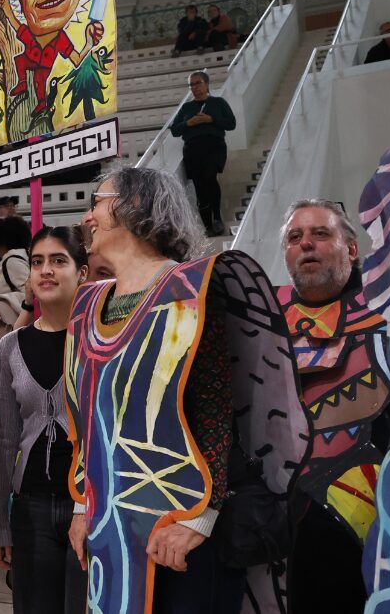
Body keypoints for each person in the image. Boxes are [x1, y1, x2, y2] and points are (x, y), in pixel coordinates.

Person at [67, 167, 309, 614]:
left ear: (134, 207)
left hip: (177, 529)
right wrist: (83, 506)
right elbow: (89, 421)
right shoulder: (87, 304)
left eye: (97, 202)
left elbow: (216, 409)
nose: (87, 216)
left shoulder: (189, 290)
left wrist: (202, 517)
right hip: (108, 529)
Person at [276, 200, 390, 614]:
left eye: (320, 234)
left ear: (351, 248)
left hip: (386, 512)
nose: (306, 244)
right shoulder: (266, 321)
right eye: (296, 238)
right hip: (291, 515)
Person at [0, 226, 89, 614]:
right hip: (32, 513)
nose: (46, 270)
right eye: (37, 262)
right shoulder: (10, 348)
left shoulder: (102, 340)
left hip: (92, 508)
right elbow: (1, 441)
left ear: (82, 272)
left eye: (58, 260)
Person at [169, 70, 236, 236]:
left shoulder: (218, 102)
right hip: (193, 149)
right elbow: (175, 130)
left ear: (207, 84)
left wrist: (211, 120)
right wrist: (188, 123)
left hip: (214, 146)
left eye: (198, 83)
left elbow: (231, 123)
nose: (195, 87)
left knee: (210, 176)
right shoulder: (187, 107)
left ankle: (217, 218)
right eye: (191, 84)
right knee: (199, 187)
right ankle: (207, 225)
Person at [0, 215, 33, 344]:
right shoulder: (24, 257)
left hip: (14, 334)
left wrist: (0, 308)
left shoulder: (12, 262)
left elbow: (30, 294)